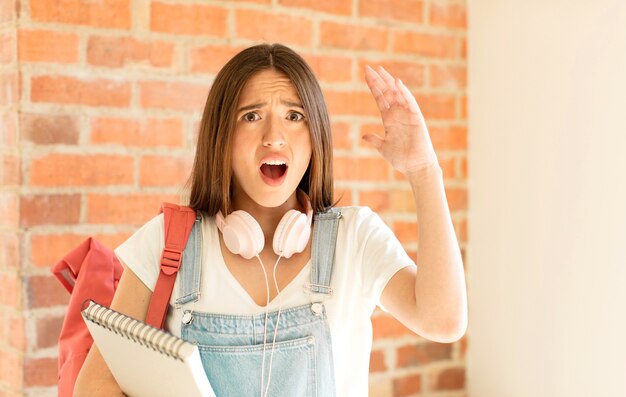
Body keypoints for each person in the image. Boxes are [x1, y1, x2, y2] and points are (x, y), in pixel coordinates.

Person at [74, 43, 468, 397]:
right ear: (221, 137)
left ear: (314, 138)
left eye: (294, 116)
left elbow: (444, 321)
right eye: (251, 116)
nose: (274, 137)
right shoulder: (168, 244)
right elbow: (93, 386)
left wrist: (423, 169)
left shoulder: (355, 238)